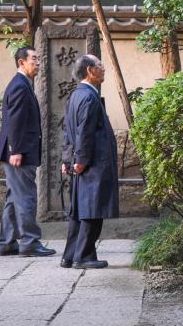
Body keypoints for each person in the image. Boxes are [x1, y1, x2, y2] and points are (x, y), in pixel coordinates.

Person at [0, 46, 55, 258]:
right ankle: (29, 241)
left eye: (38, 59)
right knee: (26, 196)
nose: (38, 63)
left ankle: (7, 242)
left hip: (15, 151)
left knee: (14, 197)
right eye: (34, 59)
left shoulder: (20, 84)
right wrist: (16, 150)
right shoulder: (20, 86)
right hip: (18, 152)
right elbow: (15, 121)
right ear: (21, 62)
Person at [60, 54, 119, 269]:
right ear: (89, 70)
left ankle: (70, 255)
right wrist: (82, 160)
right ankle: (83, 256)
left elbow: (68, 130)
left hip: (82, 161)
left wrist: (67, 159)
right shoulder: (88, 97)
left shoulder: (77, 95)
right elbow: (84, 132)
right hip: (92, 163)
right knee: (92, 210)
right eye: (100, 65)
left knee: (79, 210)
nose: (103, 69)